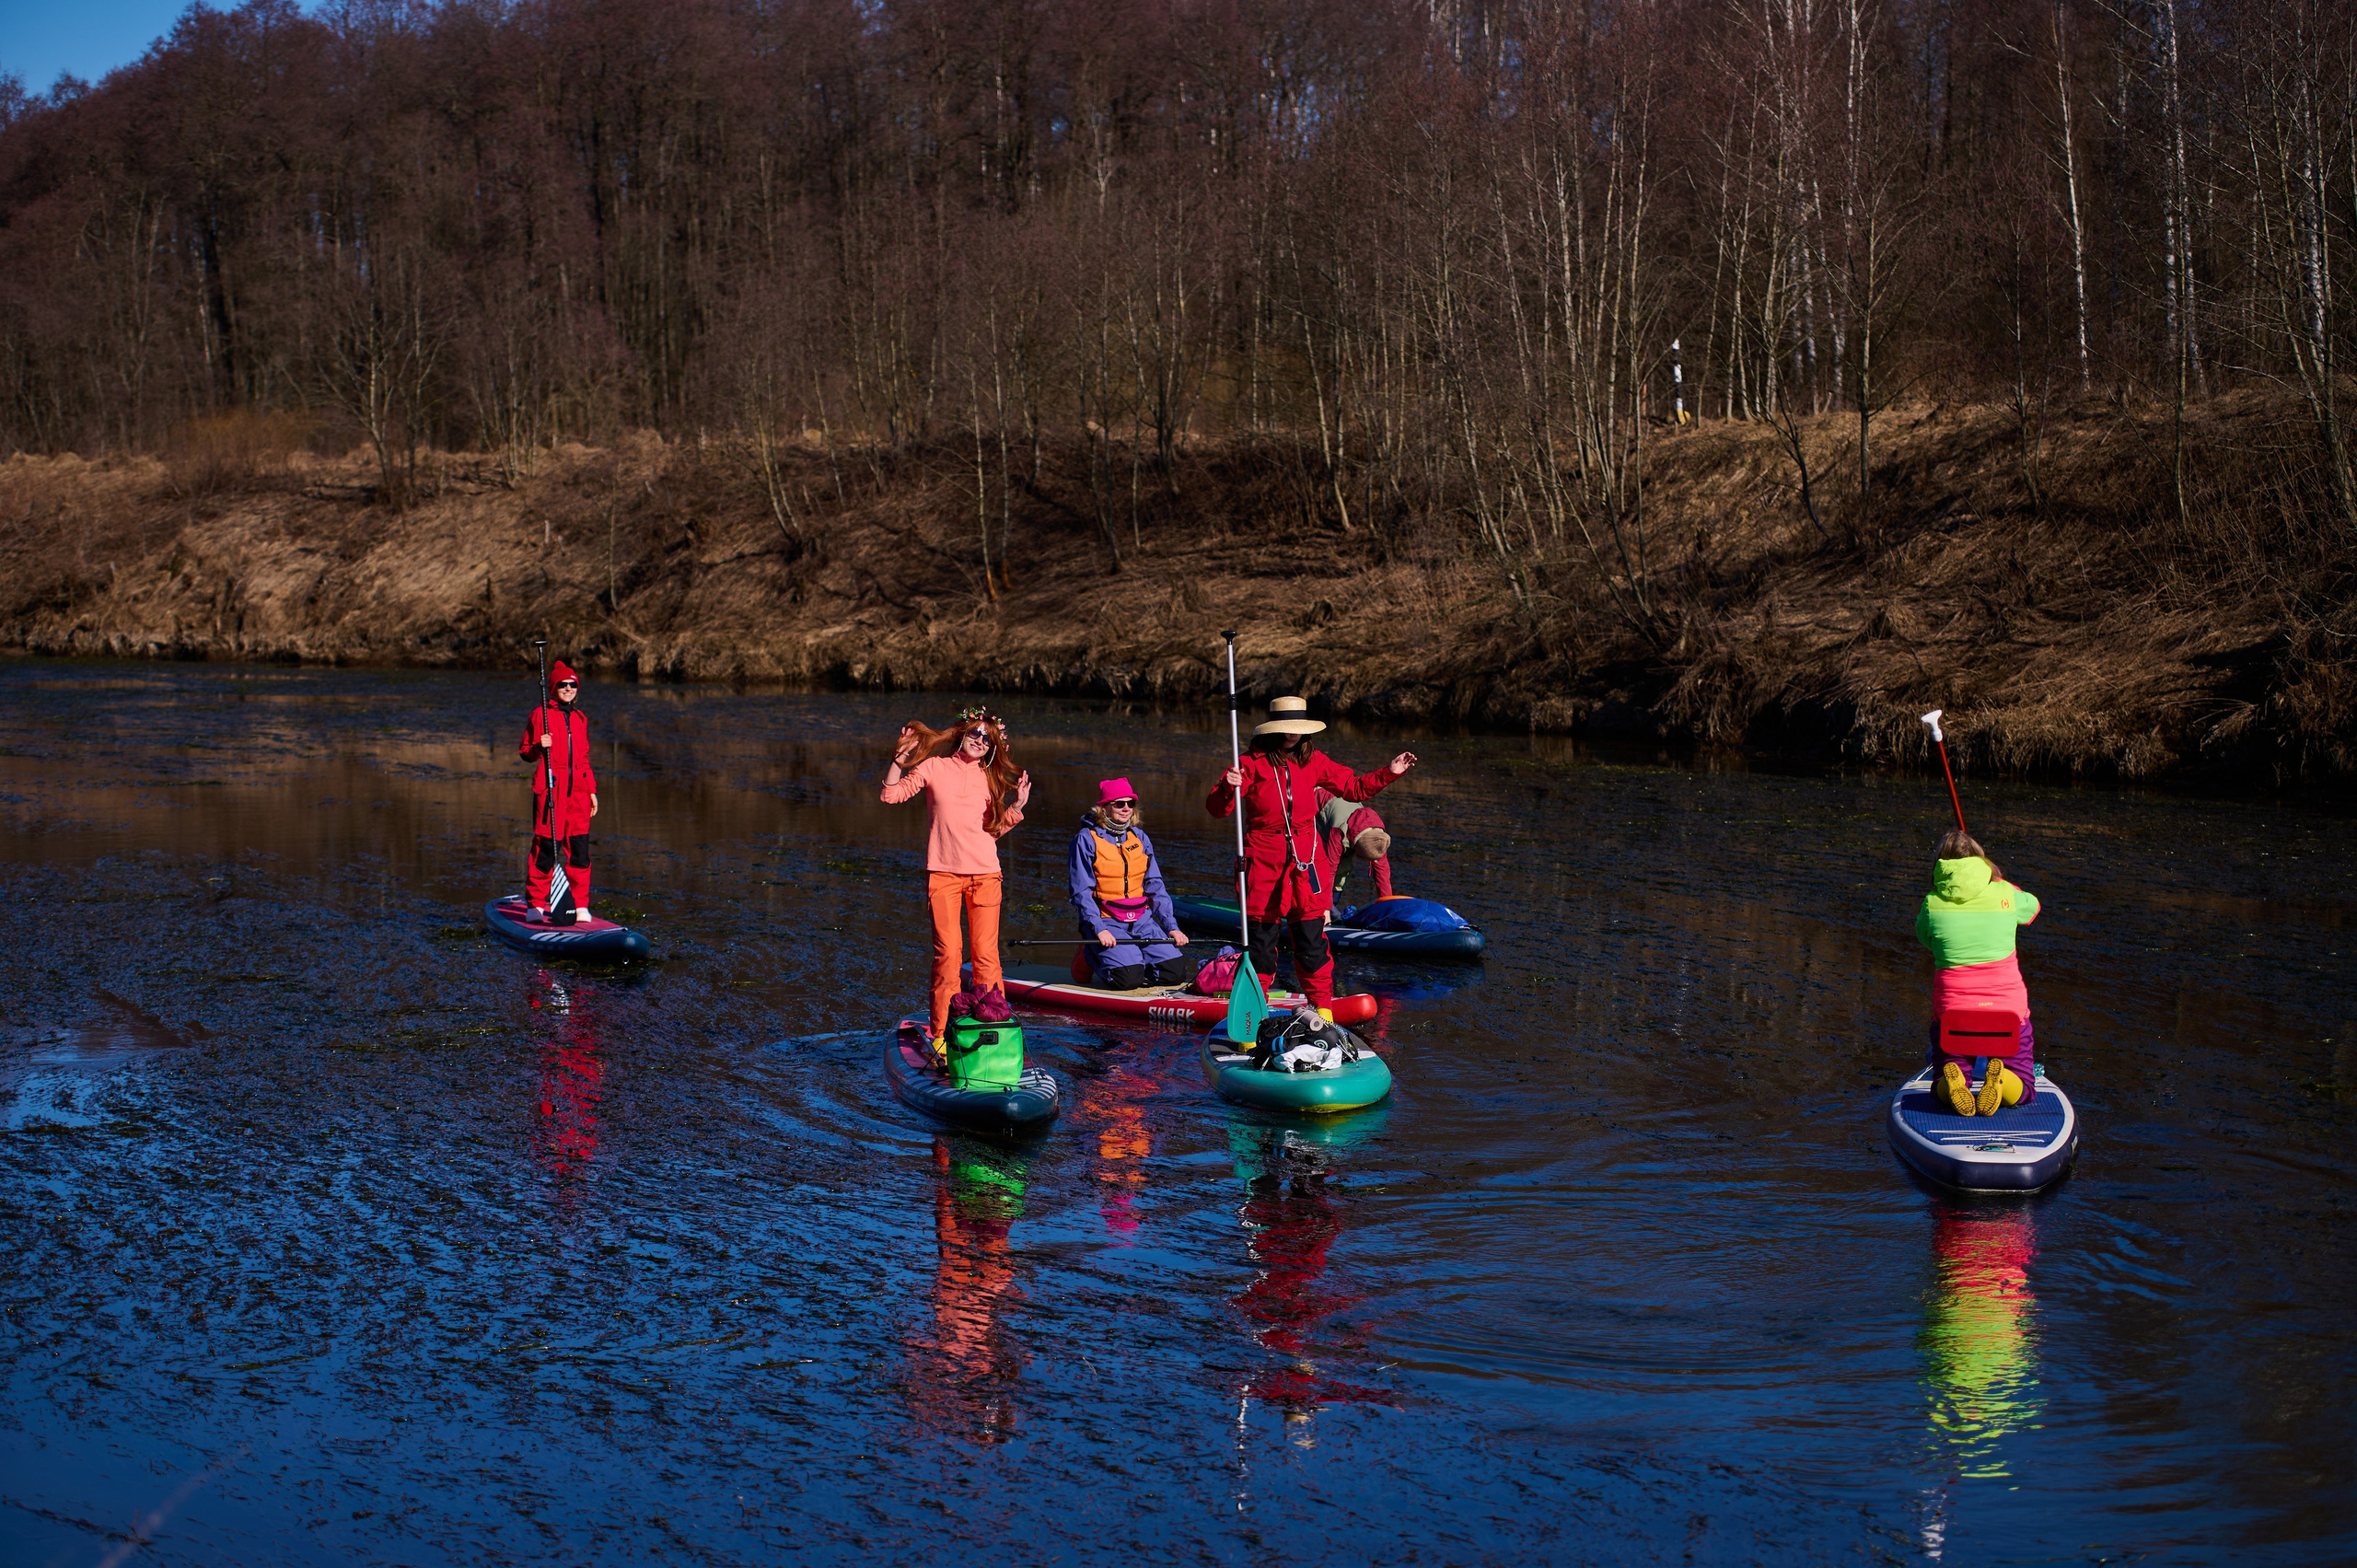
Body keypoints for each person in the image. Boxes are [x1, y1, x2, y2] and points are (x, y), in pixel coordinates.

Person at [1206, 696, 1416, 1013]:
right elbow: (1217, 810)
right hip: (1262, 861)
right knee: (1262, 943)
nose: (1294, 733)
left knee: (1311, 942)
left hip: (1305, 862)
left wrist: (1390, 772)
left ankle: (1322, 1009)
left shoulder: (1314, 760)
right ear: (1274, 729)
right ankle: (1254, 1011)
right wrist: (1227, 787)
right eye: (1288, 727)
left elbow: (1354, 788)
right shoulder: (1250, 763)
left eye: (1299, 728)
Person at [882, 705, 1032, 1058]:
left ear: (993, 746)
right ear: (962, 733)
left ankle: (992, 1029)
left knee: (986, 958)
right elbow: (890, 795)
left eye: (987, 738)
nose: (979, 740)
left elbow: (990, 832)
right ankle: (940, 1034)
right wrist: (899, 761)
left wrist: (1016, 808)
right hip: (943, 876)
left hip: (986, 875)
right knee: (948, 956)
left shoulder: (990, 778)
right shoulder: (934, 767)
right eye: (975, 733)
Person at [1917, 829, 2042, 1116]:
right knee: (2025, 1086)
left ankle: (1954, 1081)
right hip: (2008, 1014)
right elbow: (2033, 908)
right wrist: (2001, 883)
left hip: (1954, 1016)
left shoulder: (1931, 904)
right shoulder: (2006, 893)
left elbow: (1925, 939)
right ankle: (2002, 1081)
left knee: (1943, 1081)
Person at [1068, 777, 1190, 990]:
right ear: (1104, 808)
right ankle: (1089, 952)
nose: (1126, 809)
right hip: (1106, 920)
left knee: (1174, 972)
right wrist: (1098, 928)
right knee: (1127, 979)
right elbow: (1081, 892)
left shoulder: (1140, 838)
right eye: (1119, 804)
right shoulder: (1085, 839)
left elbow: (1155, 886)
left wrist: (1171, 927)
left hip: (1141, 919)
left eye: (1130, 803)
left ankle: (1132, 957)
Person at [517, 659, 598, 923]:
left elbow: (583, 758)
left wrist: (592, 791)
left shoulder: (580, 718)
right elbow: (525, 752)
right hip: (551, 790)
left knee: (580, 851)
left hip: (579, 793)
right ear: (553, 688)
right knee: (545, 849)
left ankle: (580, 905)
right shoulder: (540, 715)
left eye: (572, 685)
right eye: (562, 685)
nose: (568, 689)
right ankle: (536, 905)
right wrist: (539, 746)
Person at [1316, 789, 1394, 903]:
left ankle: (1334, 902)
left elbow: (1383, 874)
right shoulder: (1339, 833)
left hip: (1349, 831)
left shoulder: (1378, 840)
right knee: (1316, 863)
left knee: (1344, 869)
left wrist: (1387, 904)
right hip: (1318, 807)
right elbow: (1330, 869)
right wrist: (1326, 907)